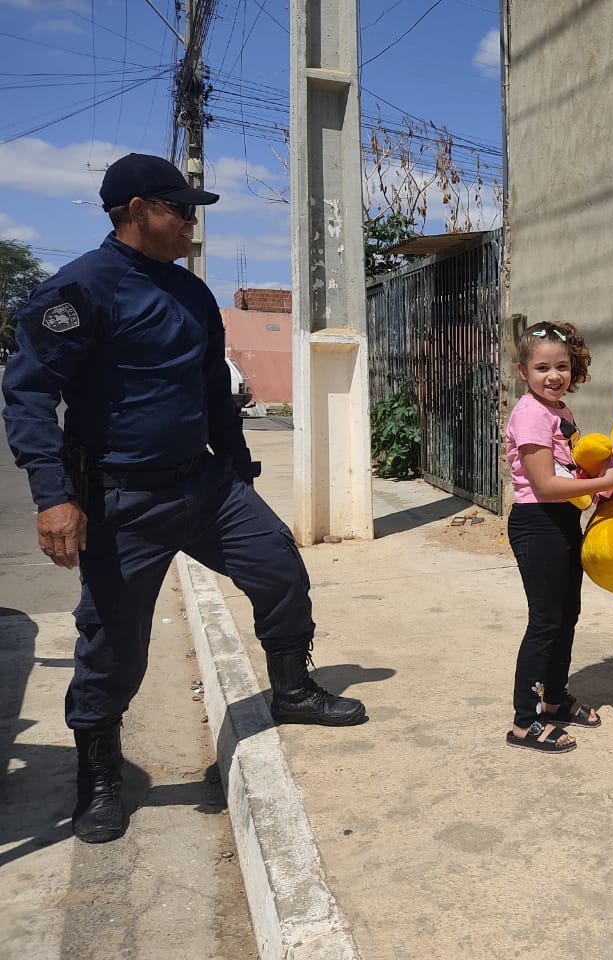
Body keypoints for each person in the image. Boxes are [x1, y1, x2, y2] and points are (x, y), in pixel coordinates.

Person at [1, 153, 365, 844]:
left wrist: (236, 471)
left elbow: (211, 392)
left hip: (202, 485)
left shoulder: (190, 293)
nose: (193, 225)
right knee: (113, 643)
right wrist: (54, 498)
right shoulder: (80, 291)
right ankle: (100, 774)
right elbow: (27, 396)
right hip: (118, 501)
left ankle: (290, 689)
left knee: (279, 568)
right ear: (138, 212)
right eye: (181, 210)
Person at [504, 321, 613, 754]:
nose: (553, 375)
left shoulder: (562, 412)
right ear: (523, 370)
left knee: (567, 615)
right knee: (544, 622)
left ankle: (554, 700)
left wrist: (610, 469)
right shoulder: (529, 413)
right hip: (536, 521)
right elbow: (545, 485)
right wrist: (602, 484)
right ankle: (525, 722)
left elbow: (573, 469)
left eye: (562, 366)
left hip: (561, 522)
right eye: (542, 367)